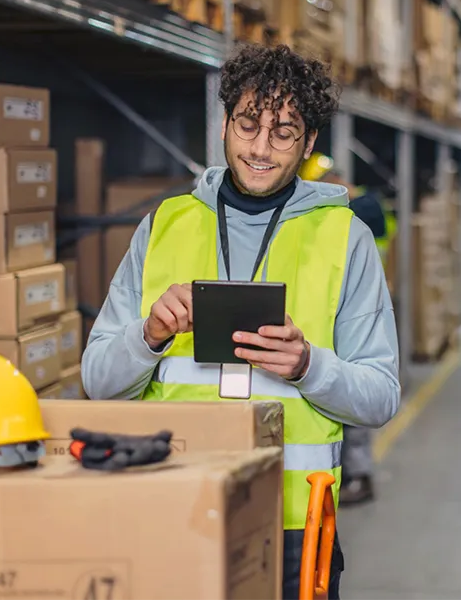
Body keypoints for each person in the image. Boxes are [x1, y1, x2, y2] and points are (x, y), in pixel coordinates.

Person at [81, 43, 401, 600]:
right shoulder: (164, 226)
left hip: (296, 522)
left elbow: (380, 398)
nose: (259, 148)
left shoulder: (344, 238)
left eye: (283, 133)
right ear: (226, 123)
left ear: (309, 142)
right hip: (174, 509)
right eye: (248, 125)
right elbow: (97, 382)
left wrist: (308, 366)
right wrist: (148, 336)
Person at [298, 152, 397, 505]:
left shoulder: (363, 208)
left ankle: (361, 475)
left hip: (361, 304)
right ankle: (349, 473)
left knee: (354, 396)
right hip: (344, 303)